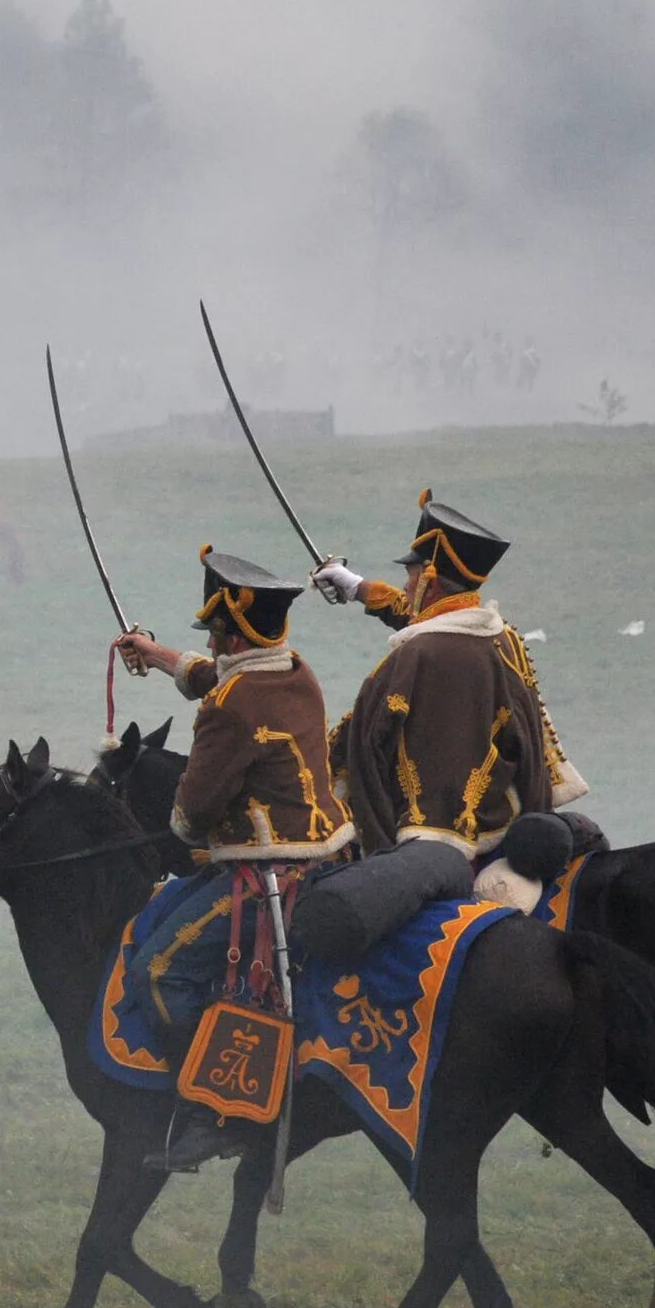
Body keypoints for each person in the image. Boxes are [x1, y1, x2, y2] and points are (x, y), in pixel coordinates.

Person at [112, 550, 354, 1171]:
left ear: (231, 631)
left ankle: (215, 1110)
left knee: (157, 973)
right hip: (329, 849)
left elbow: (189, 817)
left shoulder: (230, 708)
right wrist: (159, 654)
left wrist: (183, 826)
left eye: (216, 631)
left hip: (275, 869)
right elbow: (217, 677)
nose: (212, 640)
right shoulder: (294, 670)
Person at [301, 493, 589, 960]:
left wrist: (371, 845)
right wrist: (358, 588)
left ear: (429, 579)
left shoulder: (414, 656)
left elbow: (360, 745)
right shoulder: (503, 637)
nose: (406, 582)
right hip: (503, 825)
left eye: (411, 574)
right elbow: (437, 619)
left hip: (426, 841)